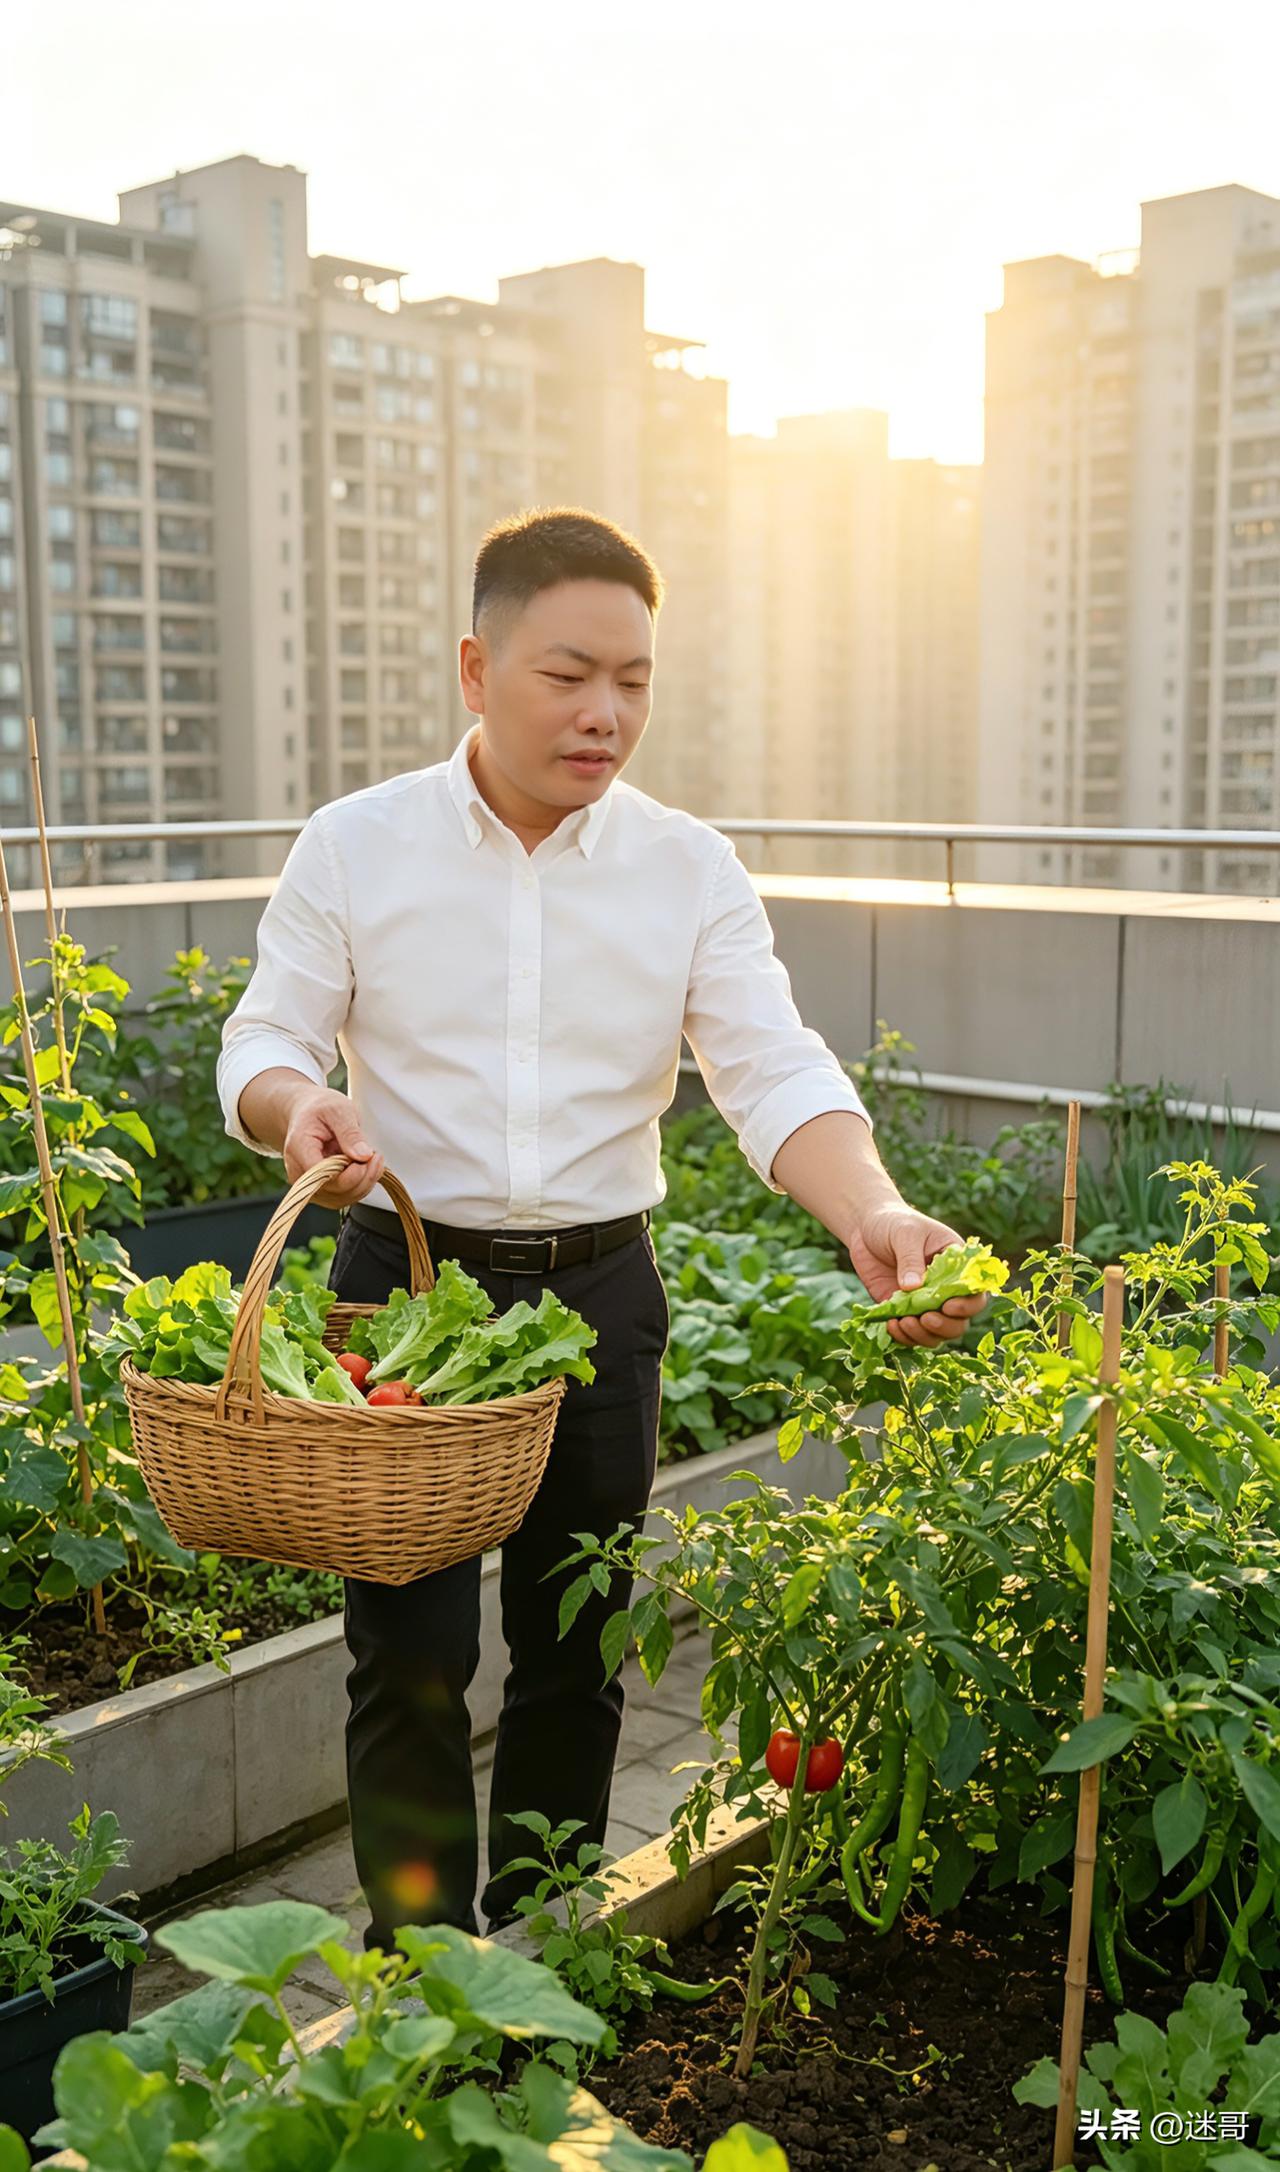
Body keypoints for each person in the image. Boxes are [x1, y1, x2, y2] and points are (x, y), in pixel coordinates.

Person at [216, 505, 987, 1949]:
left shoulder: (688, 867)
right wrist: (291, 1106)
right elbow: (265, 1034)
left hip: (599, 1301)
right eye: (570, 674)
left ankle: (555, 1956)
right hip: (406, 1298)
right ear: (474, 668)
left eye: (634, 678)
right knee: (411, 1660)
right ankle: (422, 1976)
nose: (607, 712)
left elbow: (770, 1068)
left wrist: (875, 1207)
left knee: (578, 1652)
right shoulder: (357, 845)